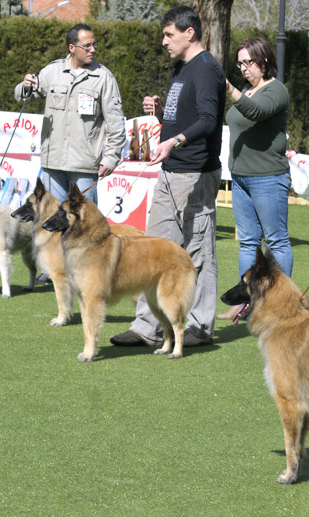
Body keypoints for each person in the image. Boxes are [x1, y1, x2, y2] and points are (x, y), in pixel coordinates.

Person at [110, 5, 226, 348]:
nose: (163, 41)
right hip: (170, 171)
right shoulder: (181, 67)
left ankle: (200, 327)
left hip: (195, 175)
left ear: (190, 33)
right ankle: (147, 326)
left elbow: (208, 120)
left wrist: (174, 141)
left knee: (197, 253)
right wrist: (162, 113)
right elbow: (187, 117)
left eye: (168, 34)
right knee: (152, 252)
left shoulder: (207, 69)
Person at [217, 37, 292, 321]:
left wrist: (230, 89)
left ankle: (280, 305)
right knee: (248, 242)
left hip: (268, 178)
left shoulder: (276, 90)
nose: (244, 68)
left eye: (248, 62)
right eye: (240, 63)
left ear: (264, 60)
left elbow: (257, 112)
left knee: (276, 242)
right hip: (241, 178)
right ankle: (245, 304)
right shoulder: (247, 90)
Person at [14, 23, 125, 204]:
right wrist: (26, 86)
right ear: (72, 48)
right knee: (53, 217)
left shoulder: (104, 78)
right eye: (87, 46)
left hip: (84, 165)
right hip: (53, 162)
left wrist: (111, 159)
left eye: (94, 44)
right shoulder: (53, 71)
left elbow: (116, 124)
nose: (93, 50)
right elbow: (24, 95)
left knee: (83, 220)